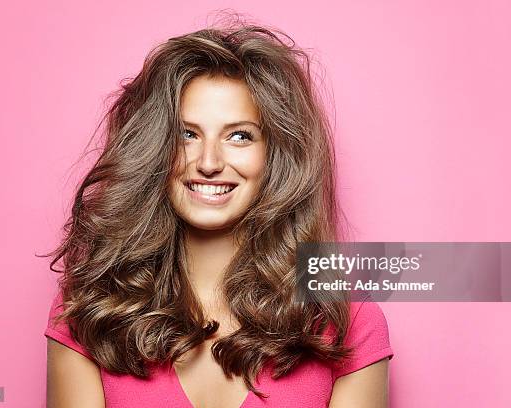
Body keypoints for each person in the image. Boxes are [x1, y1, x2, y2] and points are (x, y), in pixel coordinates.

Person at [43, 16, 393, 408]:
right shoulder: (93, 305)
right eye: (186, 134)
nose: (209, 162)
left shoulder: (349, 319)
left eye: (240, 135)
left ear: (275, 155)